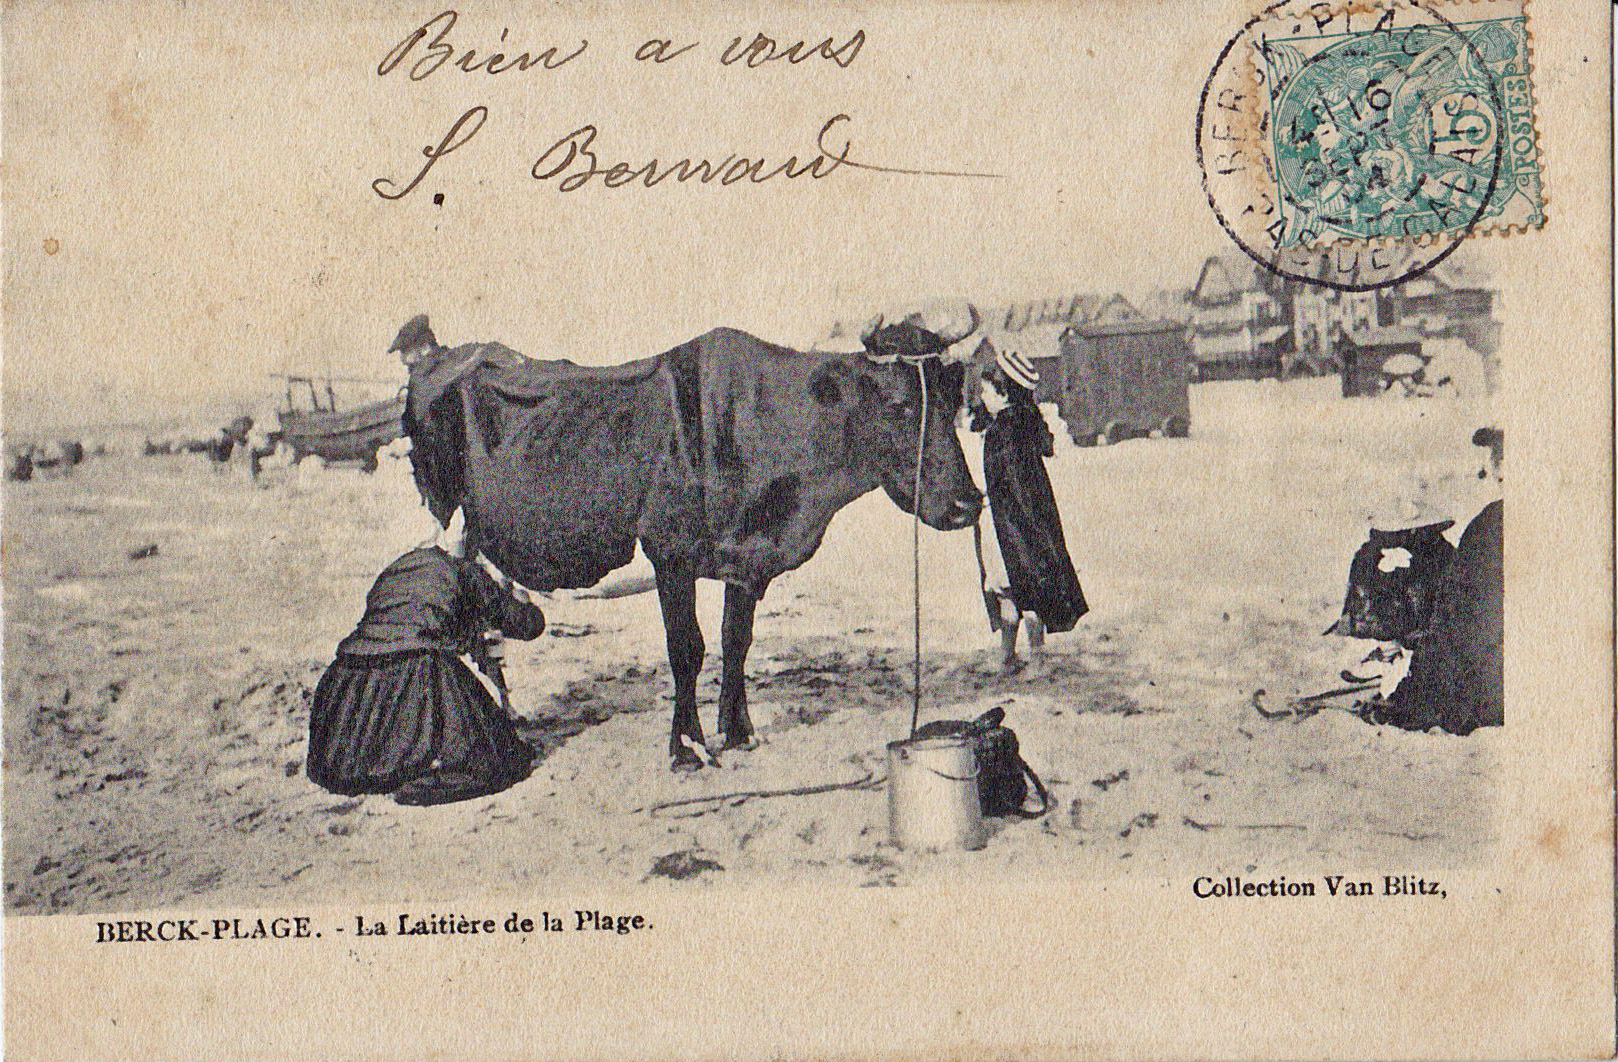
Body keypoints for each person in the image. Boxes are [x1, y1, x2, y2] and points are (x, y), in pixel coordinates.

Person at [306, 508, 546, 805]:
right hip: (416, 672)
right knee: (497, 761)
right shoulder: (464, 571)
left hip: (348, 685)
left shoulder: (396, 568)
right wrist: (524, 600)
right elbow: (525, 626)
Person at [969, 346, 1088, 673]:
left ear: (1003, 392)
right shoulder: (1016, 425)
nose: (981, 395)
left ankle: (1030, 659)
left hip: (1013, 525)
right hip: (1017, 522)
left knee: (1018, 589)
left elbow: (1016, 485)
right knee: (1015, 588)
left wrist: (998, 507)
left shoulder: (1005, 432)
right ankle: (1012, 657)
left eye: (985, 389)